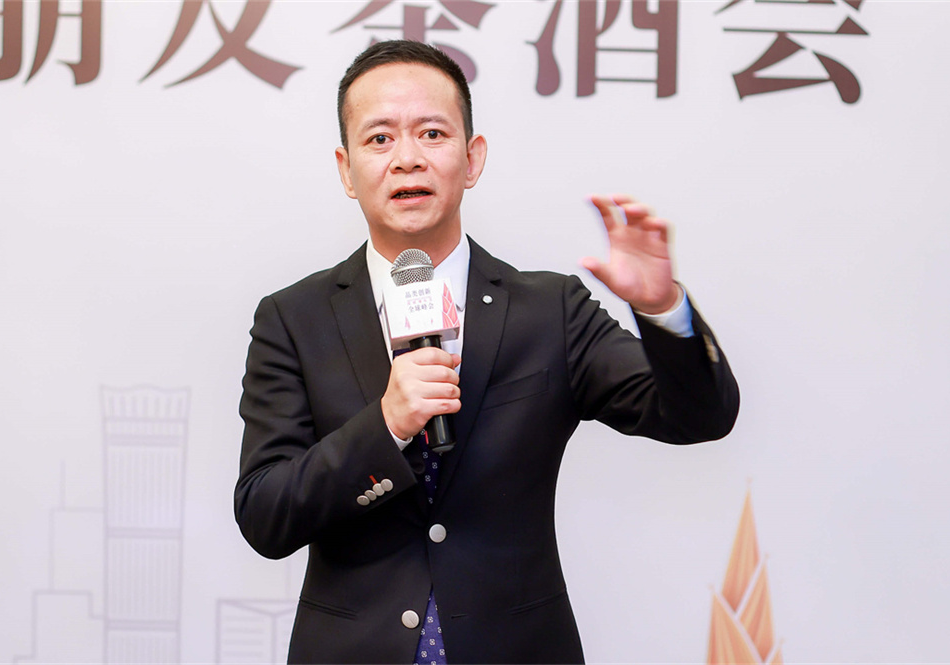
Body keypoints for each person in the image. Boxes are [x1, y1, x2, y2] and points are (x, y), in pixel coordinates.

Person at [235, 40, 739, 664]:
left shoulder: (550, 310)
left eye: (432, 133)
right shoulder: (294, 318)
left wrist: (662, 310)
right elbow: (265, 515)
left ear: (472, 158)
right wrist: (386, 426)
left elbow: (699, 418)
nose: (408, 159)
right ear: (346, 169)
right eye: (380, 139)